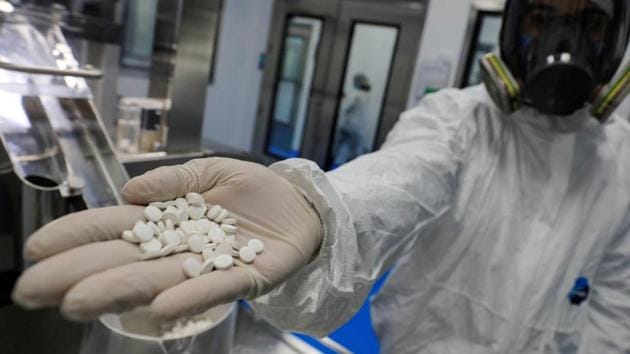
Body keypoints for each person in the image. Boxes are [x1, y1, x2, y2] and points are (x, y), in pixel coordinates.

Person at [12, 0, 630, 352]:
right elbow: (397, 182)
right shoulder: (459, 122)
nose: (562, 42)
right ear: (513, 23)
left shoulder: (623, 161)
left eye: (590, 24)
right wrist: (318, 212)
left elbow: (618, 307)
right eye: (542, 16)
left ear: (617, 35)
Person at [332, 73, 372, 167]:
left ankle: (336, 167)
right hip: (359, 128)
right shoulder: (367, 96)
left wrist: (343, 99)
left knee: (345, 148)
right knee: (354, 149)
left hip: (349, 125)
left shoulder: (356, 94)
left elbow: (345, 107)